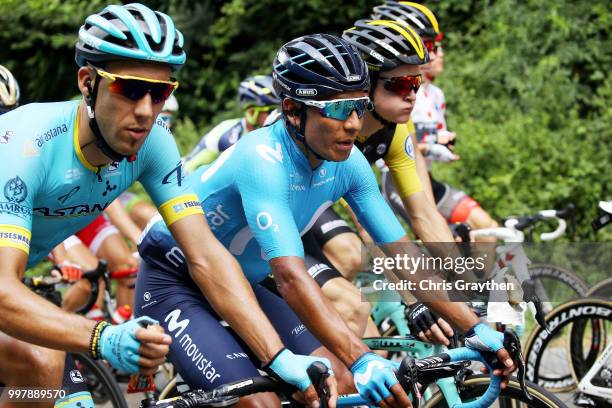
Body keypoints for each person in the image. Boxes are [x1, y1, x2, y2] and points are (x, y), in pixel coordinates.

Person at [135, 33, 517, 408]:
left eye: (359, 107)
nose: (352, 124)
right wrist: (362, 356)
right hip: (175, 282)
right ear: (292, 110)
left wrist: (475, 328)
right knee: (261, 402)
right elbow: (289, 276)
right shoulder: (262, 160)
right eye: (336, 109)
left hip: (245, 282)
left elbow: (403, 255)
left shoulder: (349, 163)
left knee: (344, 382)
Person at [0, 3, 260, 407]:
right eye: (129, 89)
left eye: (160, 92)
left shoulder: (153, 140)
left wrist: (275, 354)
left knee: (47, 384)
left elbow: (205, 254)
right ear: (88, 82)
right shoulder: (26, 145)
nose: (145, 110)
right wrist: (102, 337)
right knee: (40, 359)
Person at [373, 1, 499, 239]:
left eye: (434, 45)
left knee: (487, 230)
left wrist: (438, 146)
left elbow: (426, 140)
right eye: (430, 45)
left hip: (425, 177)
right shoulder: (392, 95)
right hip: (398, 178)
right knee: (448, 242)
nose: (437, 53)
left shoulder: (435, 95)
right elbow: (393, 147)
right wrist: (430, 144)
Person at [183, 74, 280, 172]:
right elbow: (189, 166)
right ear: (252, 112)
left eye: (276, 110)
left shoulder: (277, 134)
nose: (274, 114)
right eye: (269, 111)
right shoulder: (226, 132)